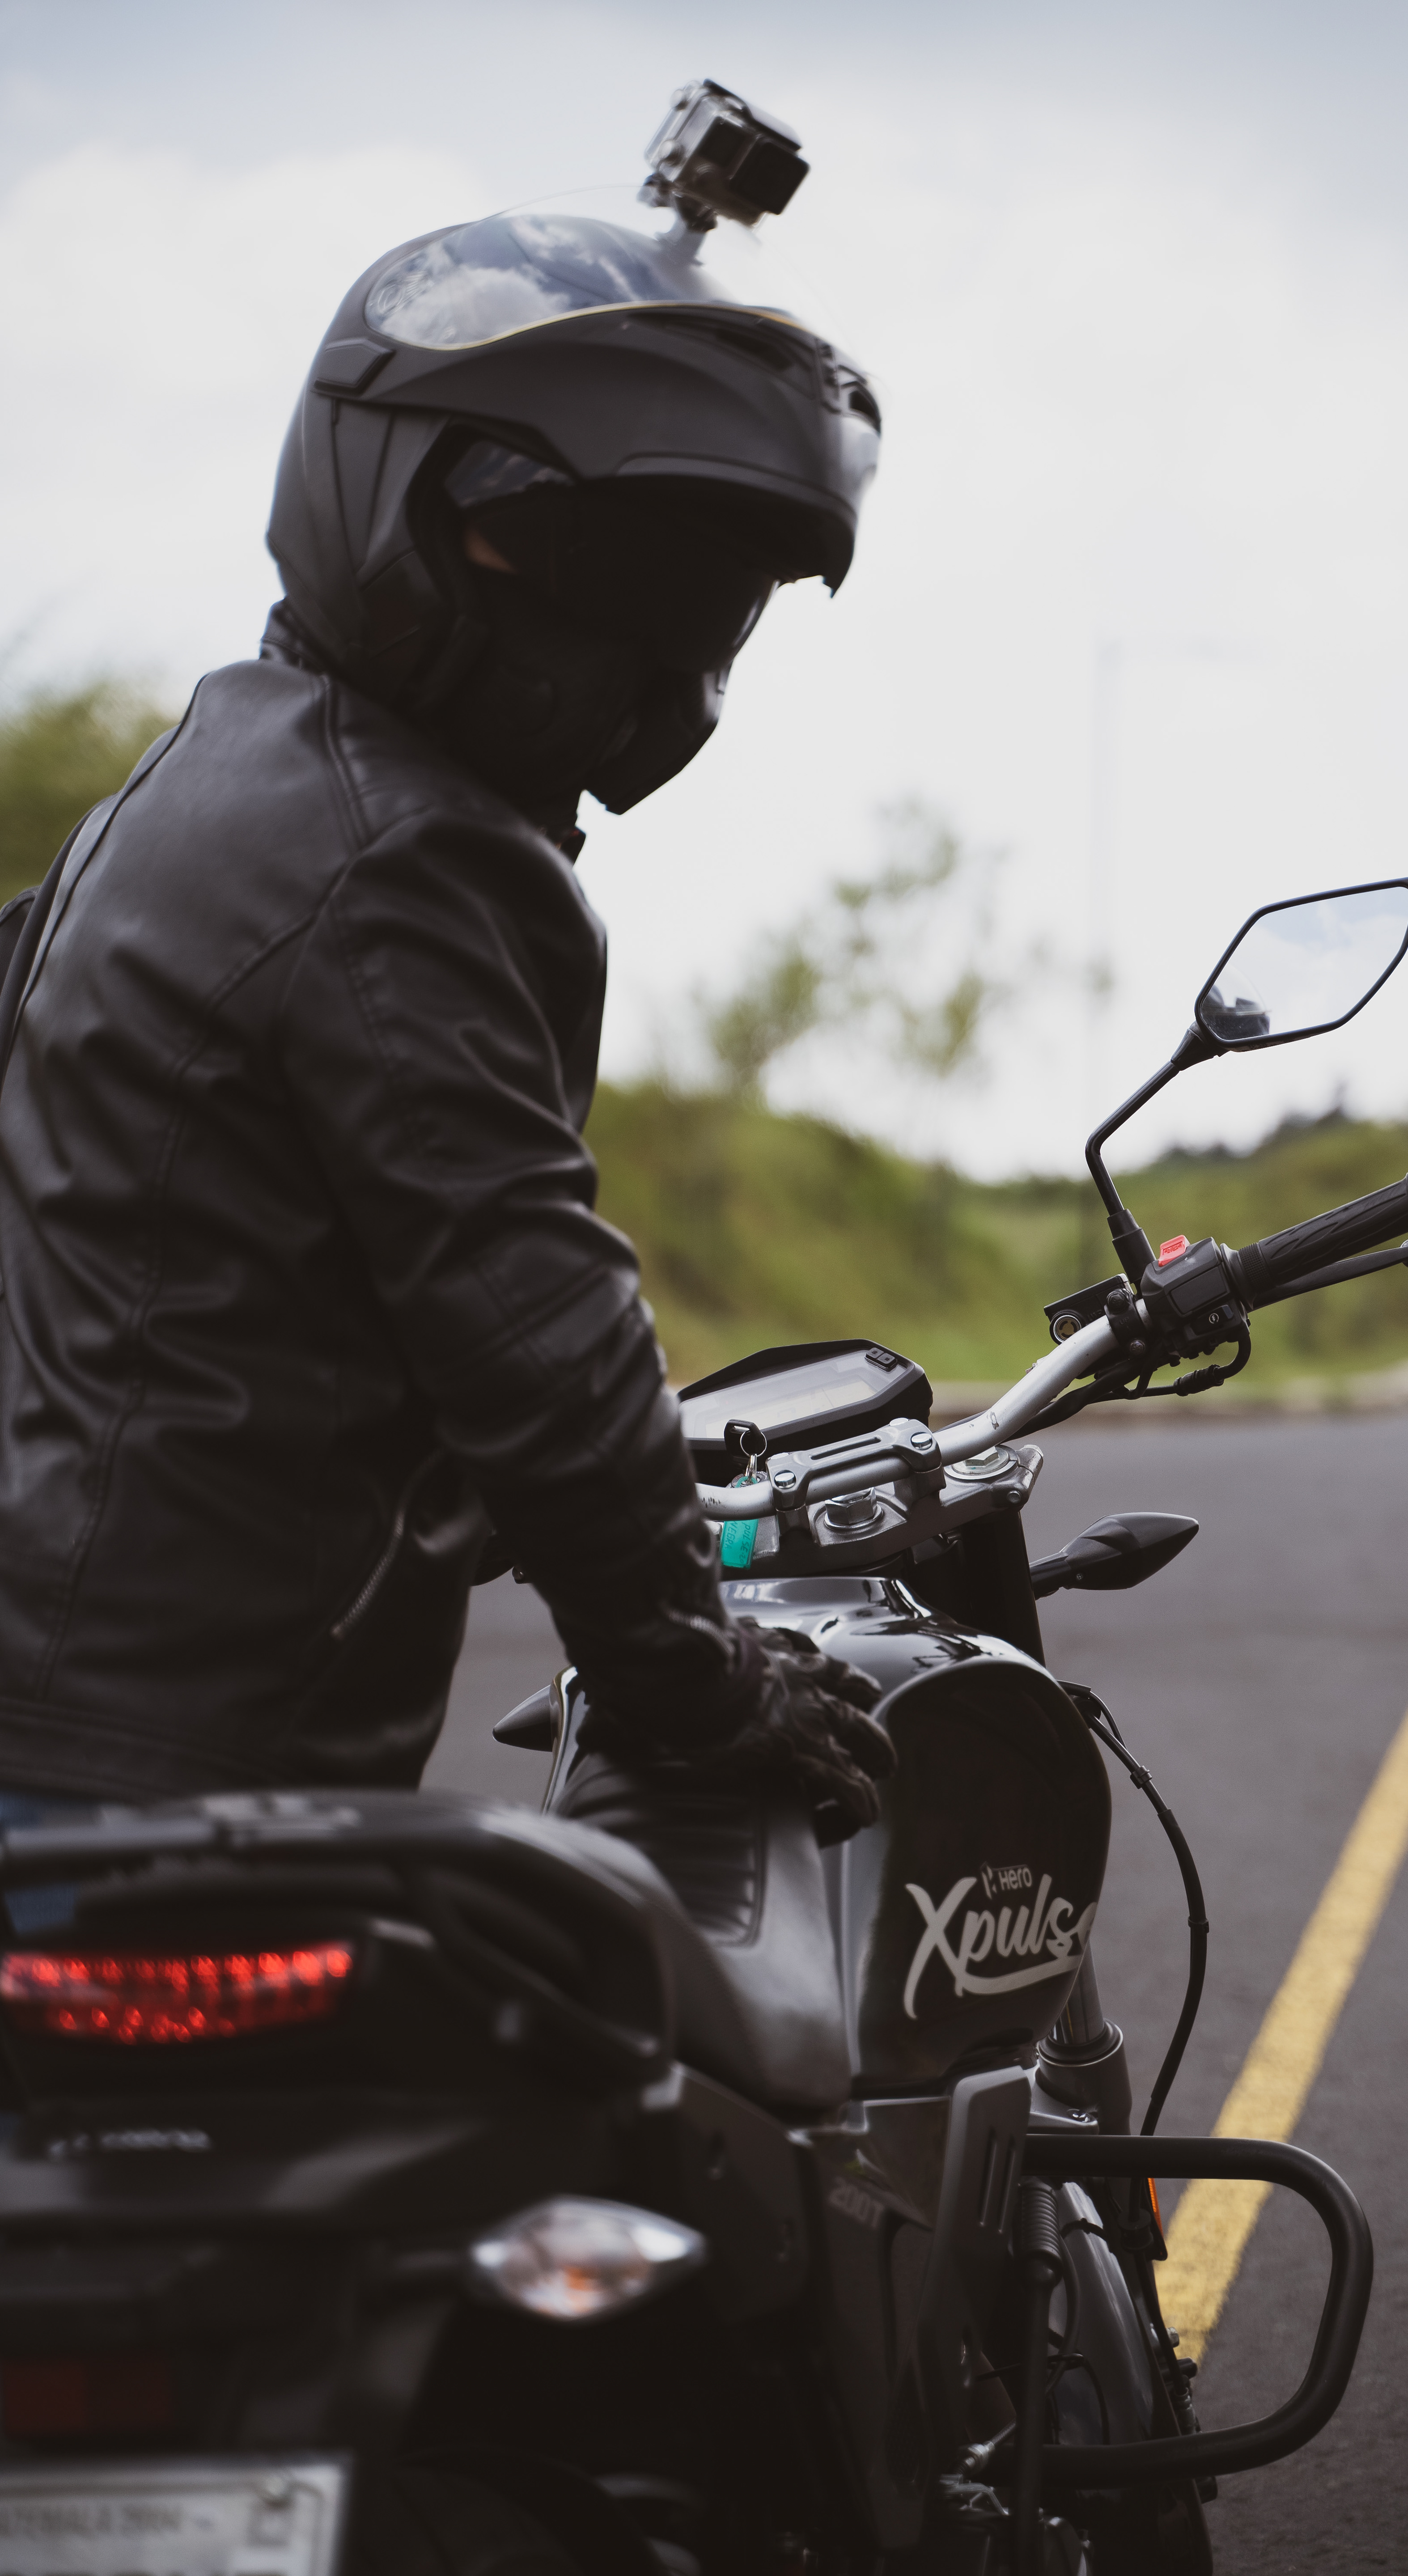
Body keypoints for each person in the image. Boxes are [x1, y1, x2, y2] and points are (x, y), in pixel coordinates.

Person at [0, 182, 893, 1851]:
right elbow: (536, 1333)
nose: (640, 643)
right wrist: (704, 1688)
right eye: (589, 558)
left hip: (63, 1725)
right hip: (188, 1780)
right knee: (646, 2009)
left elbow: (223, 1265)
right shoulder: (402, 858)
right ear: (387, 498)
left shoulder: (201, 780)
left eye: (699, 595)